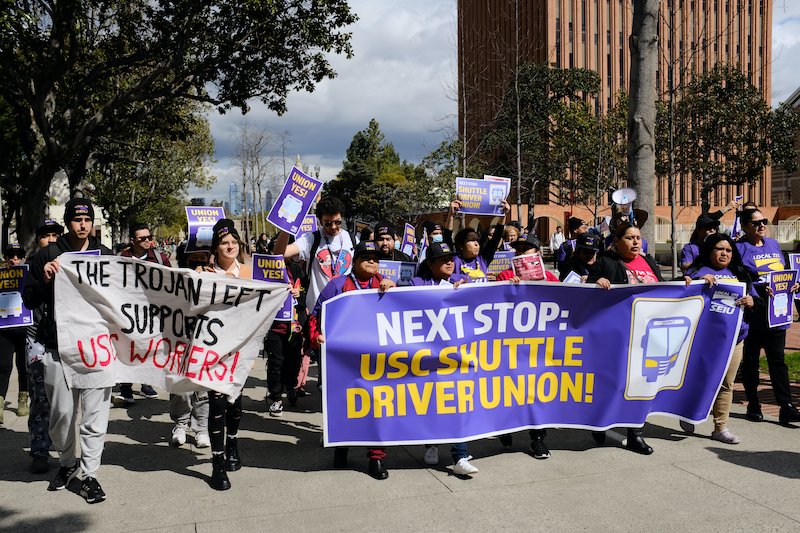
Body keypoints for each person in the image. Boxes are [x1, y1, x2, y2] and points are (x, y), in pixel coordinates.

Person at [23, 197, 114, 503]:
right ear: (68, 222)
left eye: (88, 219)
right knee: (61, 416)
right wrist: (45, 278)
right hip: (57, 347)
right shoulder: (48, 254)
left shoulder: (106, 256)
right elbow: (29, 300)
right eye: (77, 219)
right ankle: (66, 462)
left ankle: (89, 475)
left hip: (97, 349)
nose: (83, 224)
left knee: (94, 417)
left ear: (93, 222)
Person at [308, 241, 396, 480]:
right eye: (366, 257)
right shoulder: (337, 285)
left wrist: (396, 290)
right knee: (345, 405)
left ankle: (376, 458)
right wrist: (317, 335)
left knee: (377, 406)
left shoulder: (386, 284)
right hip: (344, 359)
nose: (372, 261)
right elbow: (316, 314)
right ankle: (342, 447)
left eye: (375, 258)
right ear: (355, 261)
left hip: (377, 360)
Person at [588, 223, 663, 455]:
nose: (636, 242)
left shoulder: (648, 261)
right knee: (610, 383)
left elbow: (665, 288)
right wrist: (595, 283)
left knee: (640, 384)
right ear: (617, 241)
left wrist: (687, 281)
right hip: (617, 335)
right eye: (630, 238)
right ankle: (598, 421)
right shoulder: (605, 262)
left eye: (638, 238)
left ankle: (635, 434)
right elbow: (584, 293)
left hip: (647, 335)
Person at [407, 242, 476, 474]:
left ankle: (460, 455)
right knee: (431, 403)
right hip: (425, 356)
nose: (449, 262)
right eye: (443, 259)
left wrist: (466, 286)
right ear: (430, 264)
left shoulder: (462, 281)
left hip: (454, 356)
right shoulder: (417, 284)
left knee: (458, 401)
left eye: (452, 258)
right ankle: (432, 444)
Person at [195, 219, 253, 490]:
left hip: (240, 349)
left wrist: (285, 293)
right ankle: (217, 463)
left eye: (233, 242)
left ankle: (233, 441)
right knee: (216, 403)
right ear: (216, 248)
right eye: (224, 243)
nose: (230, 247)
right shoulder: (204, 273)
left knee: (234, 401)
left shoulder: (250, 272)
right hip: (213, 350)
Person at [682, 233, 756, 444]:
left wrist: (751, 302)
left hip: (734, 339)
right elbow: (679, 297)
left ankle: (720, 427)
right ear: (709, 251)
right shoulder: (697, 271)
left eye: (729, 250)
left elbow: (755, 303)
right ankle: (688, 412)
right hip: (704, 341)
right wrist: (694, 283)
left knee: (726, 383)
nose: (724, 253)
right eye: (719, 249)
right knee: (699, 378)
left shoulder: (739, 273)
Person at [493, 233, 557, 458]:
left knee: (537, 394)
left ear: (537, 253)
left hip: (540, 348)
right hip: (510, 348)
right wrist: (506, 289)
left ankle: (538, 439)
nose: (521, 253)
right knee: (507, 391)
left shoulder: (550, 277)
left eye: (527, 249)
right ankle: (504, 428)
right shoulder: (506, 274)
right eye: (518, 249)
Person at [736, 209, 800, 425]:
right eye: (756, 223)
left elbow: (782, 272)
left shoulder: (773, 244)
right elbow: (738, 280)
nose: (762, 225)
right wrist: (759, 289)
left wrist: (792, 284)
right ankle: (754, 404)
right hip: (754, 315)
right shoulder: (739, 249)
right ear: (745, 226)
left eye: (764, 221)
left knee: (778, 362)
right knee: (752, 362)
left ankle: (786, 406)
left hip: (776, 314)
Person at [114, 223, 169, 405]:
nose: (147, 241)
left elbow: (172, 281)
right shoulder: (123, 259)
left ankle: (146, 384)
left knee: (149, 347)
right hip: (129, 312)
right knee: (128, 347)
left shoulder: (160, 258)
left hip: (153, 312)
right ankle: (126, 388)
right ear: (133, 241)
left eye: (149, 237)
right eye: (142, 239)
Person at [26, 219, 64, 474]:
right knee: (39, 396)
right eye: (45, 235)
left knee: (63, 400)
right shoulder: (28, 266)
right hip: (35, 337)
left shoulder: (69, 263)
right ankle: (40, 448)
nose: (50, 240)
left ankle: (66, 448)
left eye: (55, 235)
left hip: (63, 337)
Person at [273, 196, 353, 313]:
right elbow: (280, 253)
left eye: (338, 222)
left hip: (345, 309)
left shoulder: (351, 239)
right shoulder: (311, 238)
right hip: (317, 311)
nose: (334, 227)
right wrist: (287, 227)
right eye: (328, 223)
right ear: (320, 221)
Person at [0, 244, 29, 424]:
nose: (14, 259)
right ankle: (0, 403)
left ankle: (23, 400)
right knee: (2, 367)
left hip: (24, 328)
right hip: (4, 329)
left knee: (24, 366)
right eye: (11, 256)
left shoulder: (29, 273)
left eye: (18, 256)